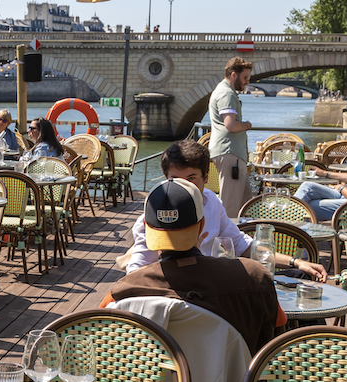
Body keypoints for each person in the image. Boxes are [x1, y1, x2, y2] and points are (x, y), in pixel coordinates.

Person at [102, 178, 284, 356]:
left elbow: (97, 332)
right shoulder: (255, 278)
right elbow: (280, 329)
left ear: (145, 227)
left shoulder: (123, 291)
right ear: (202, 225)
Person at [123, 140, 326, 280]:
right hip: (184, 288)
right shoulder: (157, 210)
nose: (184, 187)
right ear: (166, 178)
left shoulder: (210, 201)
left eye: (191, 179)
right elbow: (136, 270)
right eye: (176, 180)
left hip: (213, 280)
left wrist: (295, 261)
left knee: (299, 277)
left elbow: (242, 245)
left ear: (205, 178)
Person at [208, 57, 254, 217]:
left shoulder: (224, 91)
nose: (247, 81)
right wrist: (247, 125)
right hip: (230, 153)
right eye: (245, 77)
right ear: (234, 74)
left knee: (246, 202)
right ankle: (223, 241)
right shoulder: (227, 94)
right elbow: (231, 125)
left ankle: (241, 239)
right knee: (230, 208)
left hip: (233, 154)